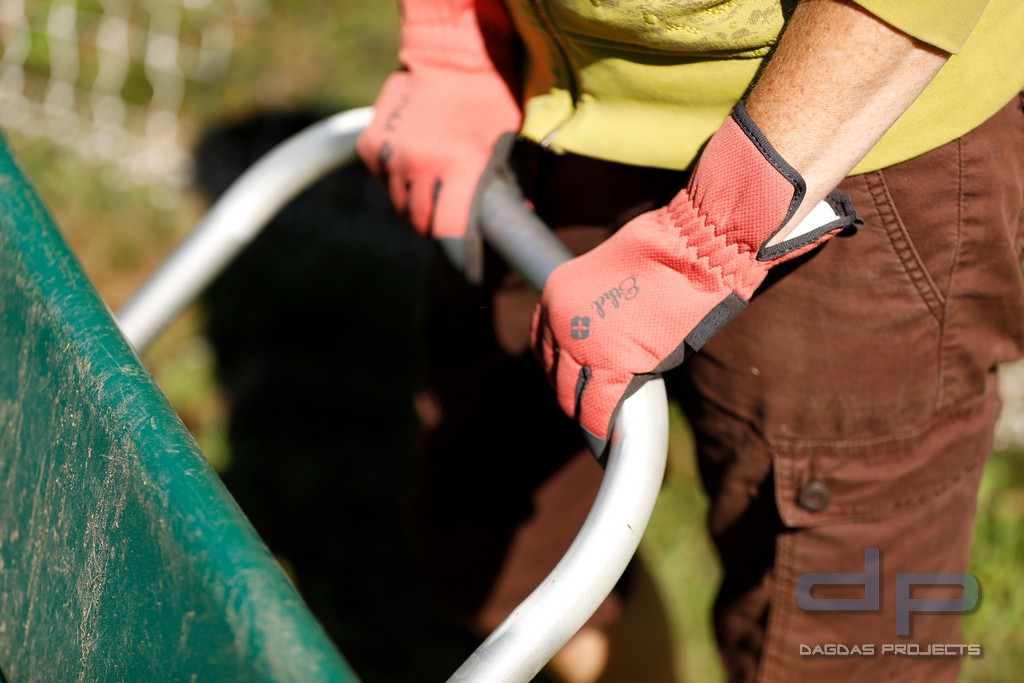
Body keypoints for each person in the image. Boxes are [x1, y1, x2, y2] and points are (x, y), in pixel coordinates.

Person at [358, 1, 1024, 681]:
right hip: (553, 93)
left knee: (839, 649)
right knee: (503, 543)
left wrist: (718, 231)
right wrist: (457, 32)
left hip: (856, 132)